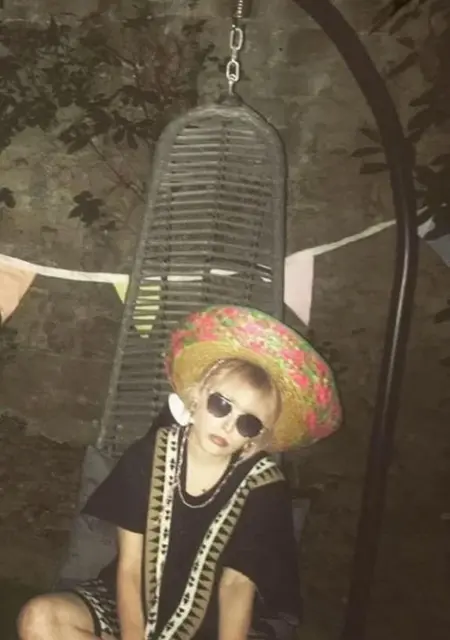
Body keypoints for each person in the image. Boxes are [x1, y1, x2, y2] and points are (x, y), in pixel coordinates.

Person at [17, 305, 342, 640]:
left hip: (210, 625)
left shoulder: (264, 488)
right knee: (40, 619)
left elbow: (236, 587)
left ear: (256, 438)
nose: (227, 425)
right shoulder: (149, 454)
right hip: (128, 603)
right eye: (221, 405)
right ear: (197, 398)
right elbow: (131, 566)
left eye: (247, 423)